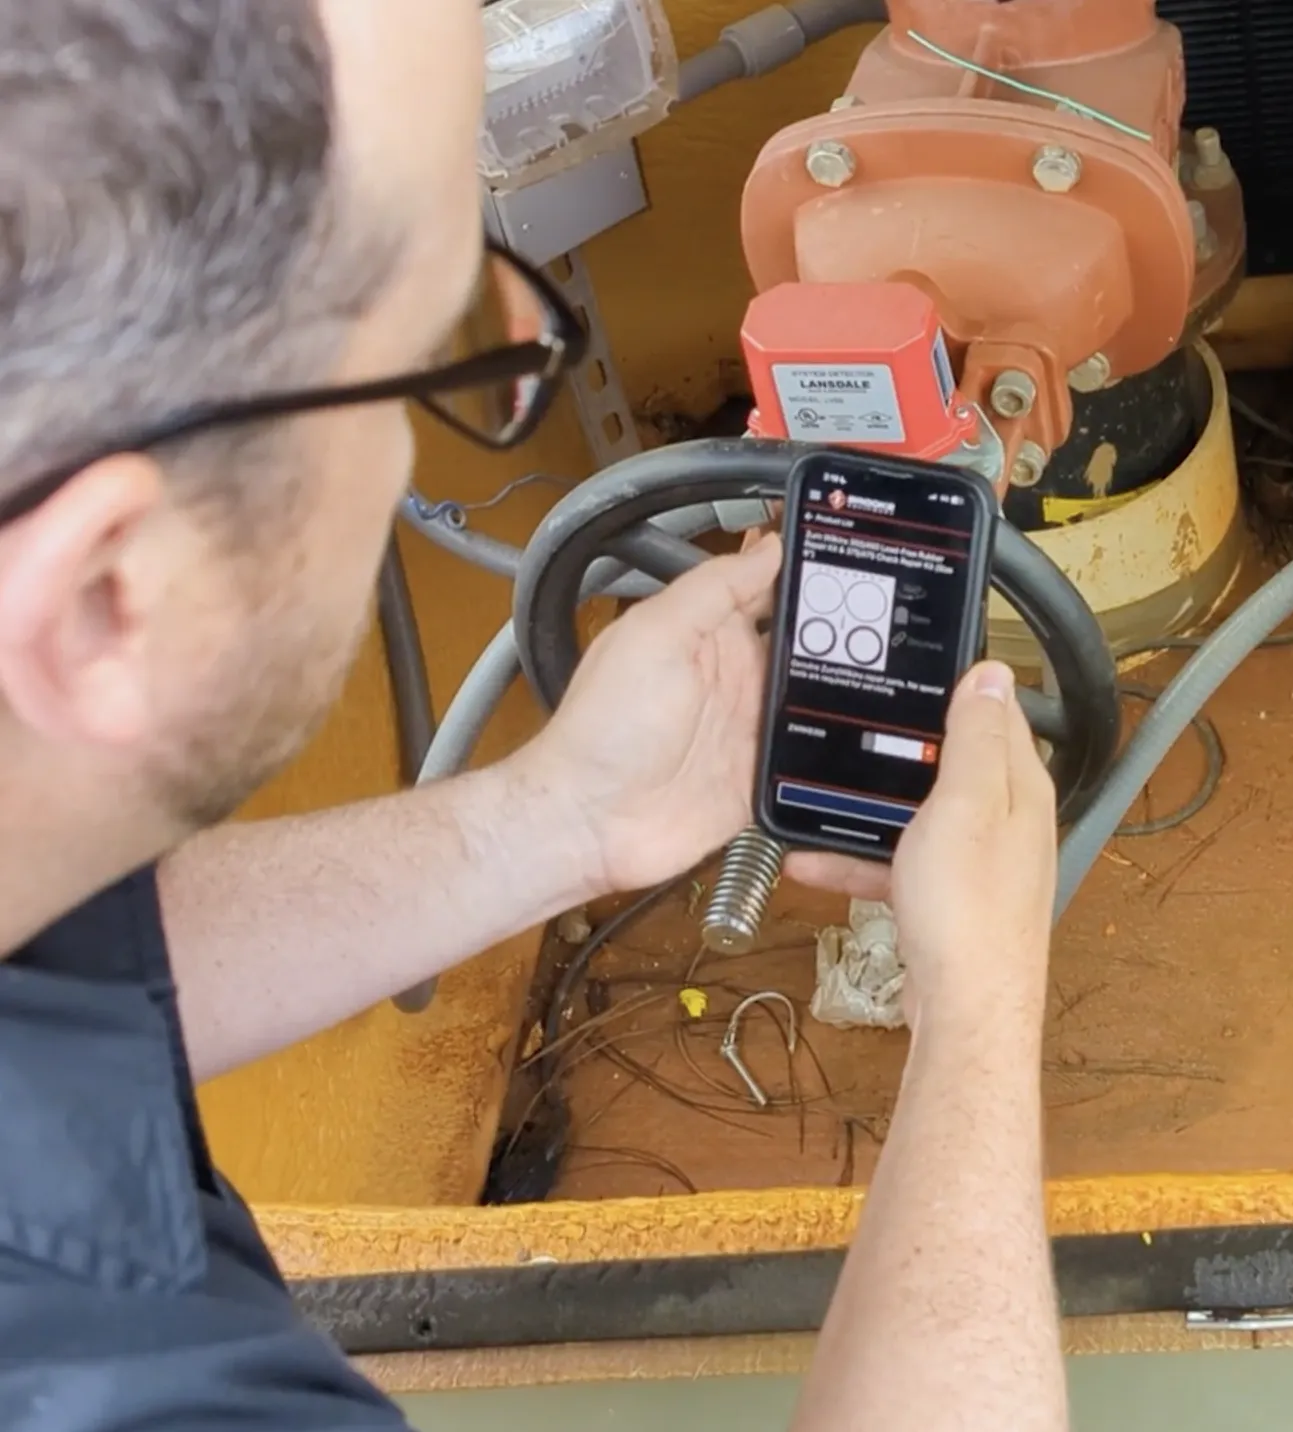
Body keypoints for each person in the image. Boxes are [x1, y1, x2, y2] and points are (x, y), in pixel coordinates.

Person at [0, 3, 1067, 1429]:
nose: (400, 466)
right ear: (105, 598)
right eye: (439, 349)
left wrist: (559, 819)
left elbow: (56, 972)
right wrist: (982, 1017)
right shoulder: (140, 1394)